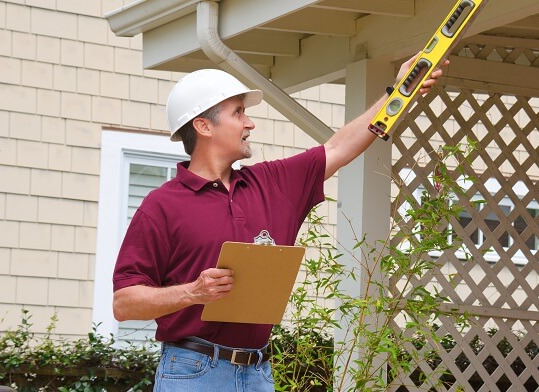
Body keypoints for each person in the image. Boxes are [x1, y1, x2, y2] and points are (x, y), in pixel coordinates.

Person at [112, 52, 448, 392]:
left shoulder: (272, 183)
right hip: (192, 372)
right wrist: (193, 292)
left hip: (258, 372)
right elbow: (124, 303)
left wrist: (400, 92)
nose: (249, 123)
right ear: (204, 125)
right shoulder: (162, 206)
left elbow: (339, 147)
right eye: (238, 113)